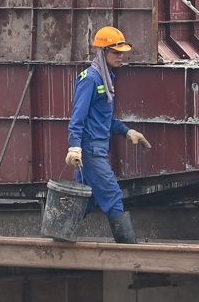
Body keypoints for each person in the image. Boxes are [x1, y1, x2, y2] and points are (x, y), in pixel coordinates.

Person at [64, 26, 151, 243]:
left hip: (99, 147)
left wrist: (127, 131)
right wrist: (74, 146)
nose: (121, 57)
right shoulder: (91, 79)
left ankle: (59, 237)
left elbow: (105, 118)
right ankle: (129, 251)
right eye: (116, 52)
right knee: (112, 195)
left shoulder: (106, 78)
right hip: (91, 149)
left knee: (87, 200)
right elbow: (78, 117)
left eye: (122, 52)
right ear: (103, 53)